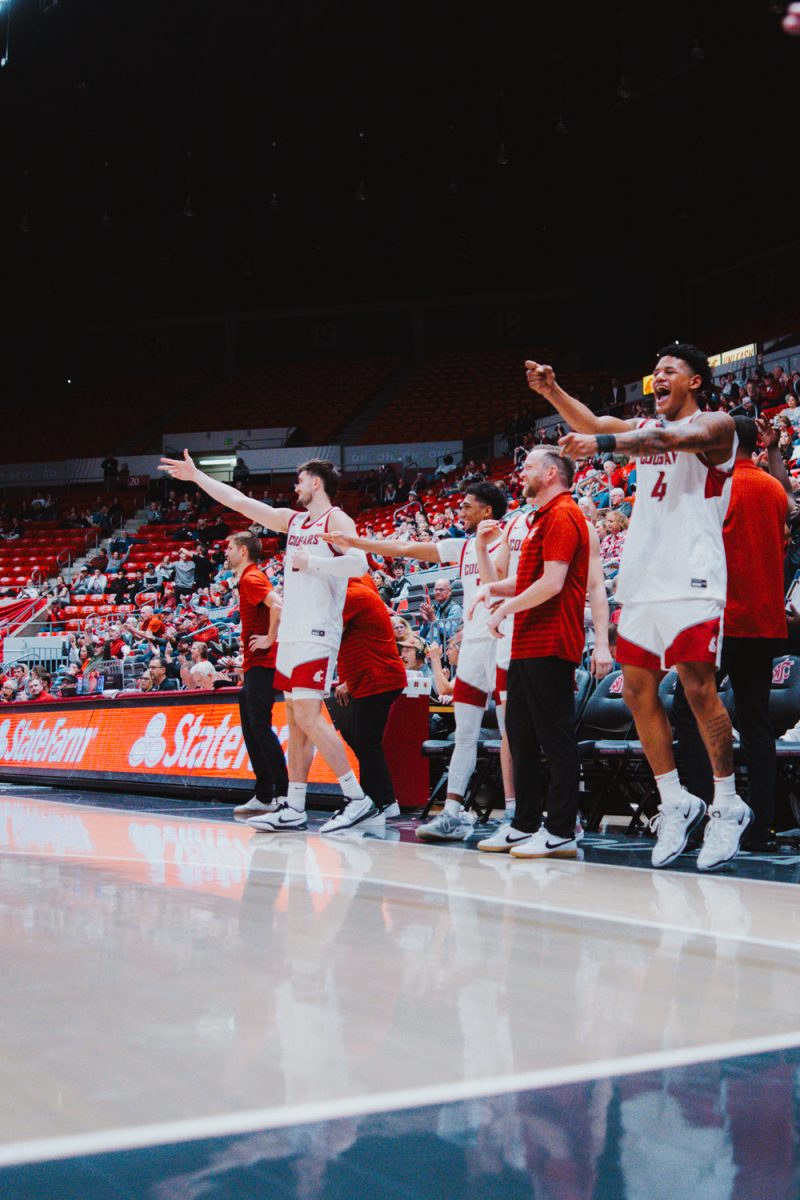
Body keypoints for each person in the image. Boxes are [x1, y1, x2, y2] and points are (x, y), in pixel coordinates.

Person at [528, 345, 751, 871]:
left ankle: (726, 805)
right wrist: (553, 392)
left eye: (670, 371)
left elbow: (655, 437)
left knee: (698, 688)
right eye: (655, 372)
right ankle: (675, 800)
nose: (659, 377)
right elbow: (599, 421)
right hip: (644, 577)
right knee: (635, 689)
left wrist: (602, 442)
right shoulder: (644, 428)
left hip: (693, 577)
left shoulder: (717, 426)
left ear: (695, 381)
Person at [159, 451, 379, 834]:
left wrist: (313, 562)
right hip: (293, 633)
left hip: (317, 631)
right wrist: (197, 478)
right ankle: (294, 806)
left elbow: (360, 564)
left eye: (300, 480)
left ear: (316, 483)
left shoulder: (336, 518)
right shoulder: (293, 521)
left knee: (309, 715)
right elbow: (240, 502)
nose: (295, 487)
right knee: (295, 722)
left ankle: (358, 799)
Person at [324, 481, 510, 841]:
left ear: (487, 511)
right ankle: (454, 811)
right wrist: (358, 543)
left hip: (503, 641)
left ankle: (517, 814)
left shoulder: (510, 541)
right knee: (466, 733)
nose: (461, 512)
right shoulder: (463, 546)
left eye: (467, 507)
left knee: (511, 732)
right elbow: (407, 546)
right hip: (472, 644)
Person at [671, 417, 789, 850]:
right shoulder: (774, 489)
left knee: (689, 709)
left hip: (721, 618)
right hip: (764, 620)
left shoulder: (716, 487)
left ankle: (708, 811)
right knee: (758, 722)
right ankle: (763, 825)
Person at [220, 532, 290, 818]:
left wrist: (269, 638)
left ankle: (283, 796)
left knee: (260, 727)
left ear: (243, 551)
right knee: (251, 726)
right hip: (253, 664)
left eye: (229, 547)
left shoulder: (251, 577)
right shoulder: (246, 579)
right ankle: (264, 794)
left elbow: (279, 605)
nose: (226, 552)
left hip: (264, 663)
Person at [334, 574, 407, 817]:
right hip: (366, 678)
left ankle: (382, 802)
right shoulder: (359, 585)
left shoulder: (352, 594)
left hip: (376, 678)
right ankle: (379, 800)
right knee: (357, 737)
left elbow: (330, 631)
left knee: (366, 742)